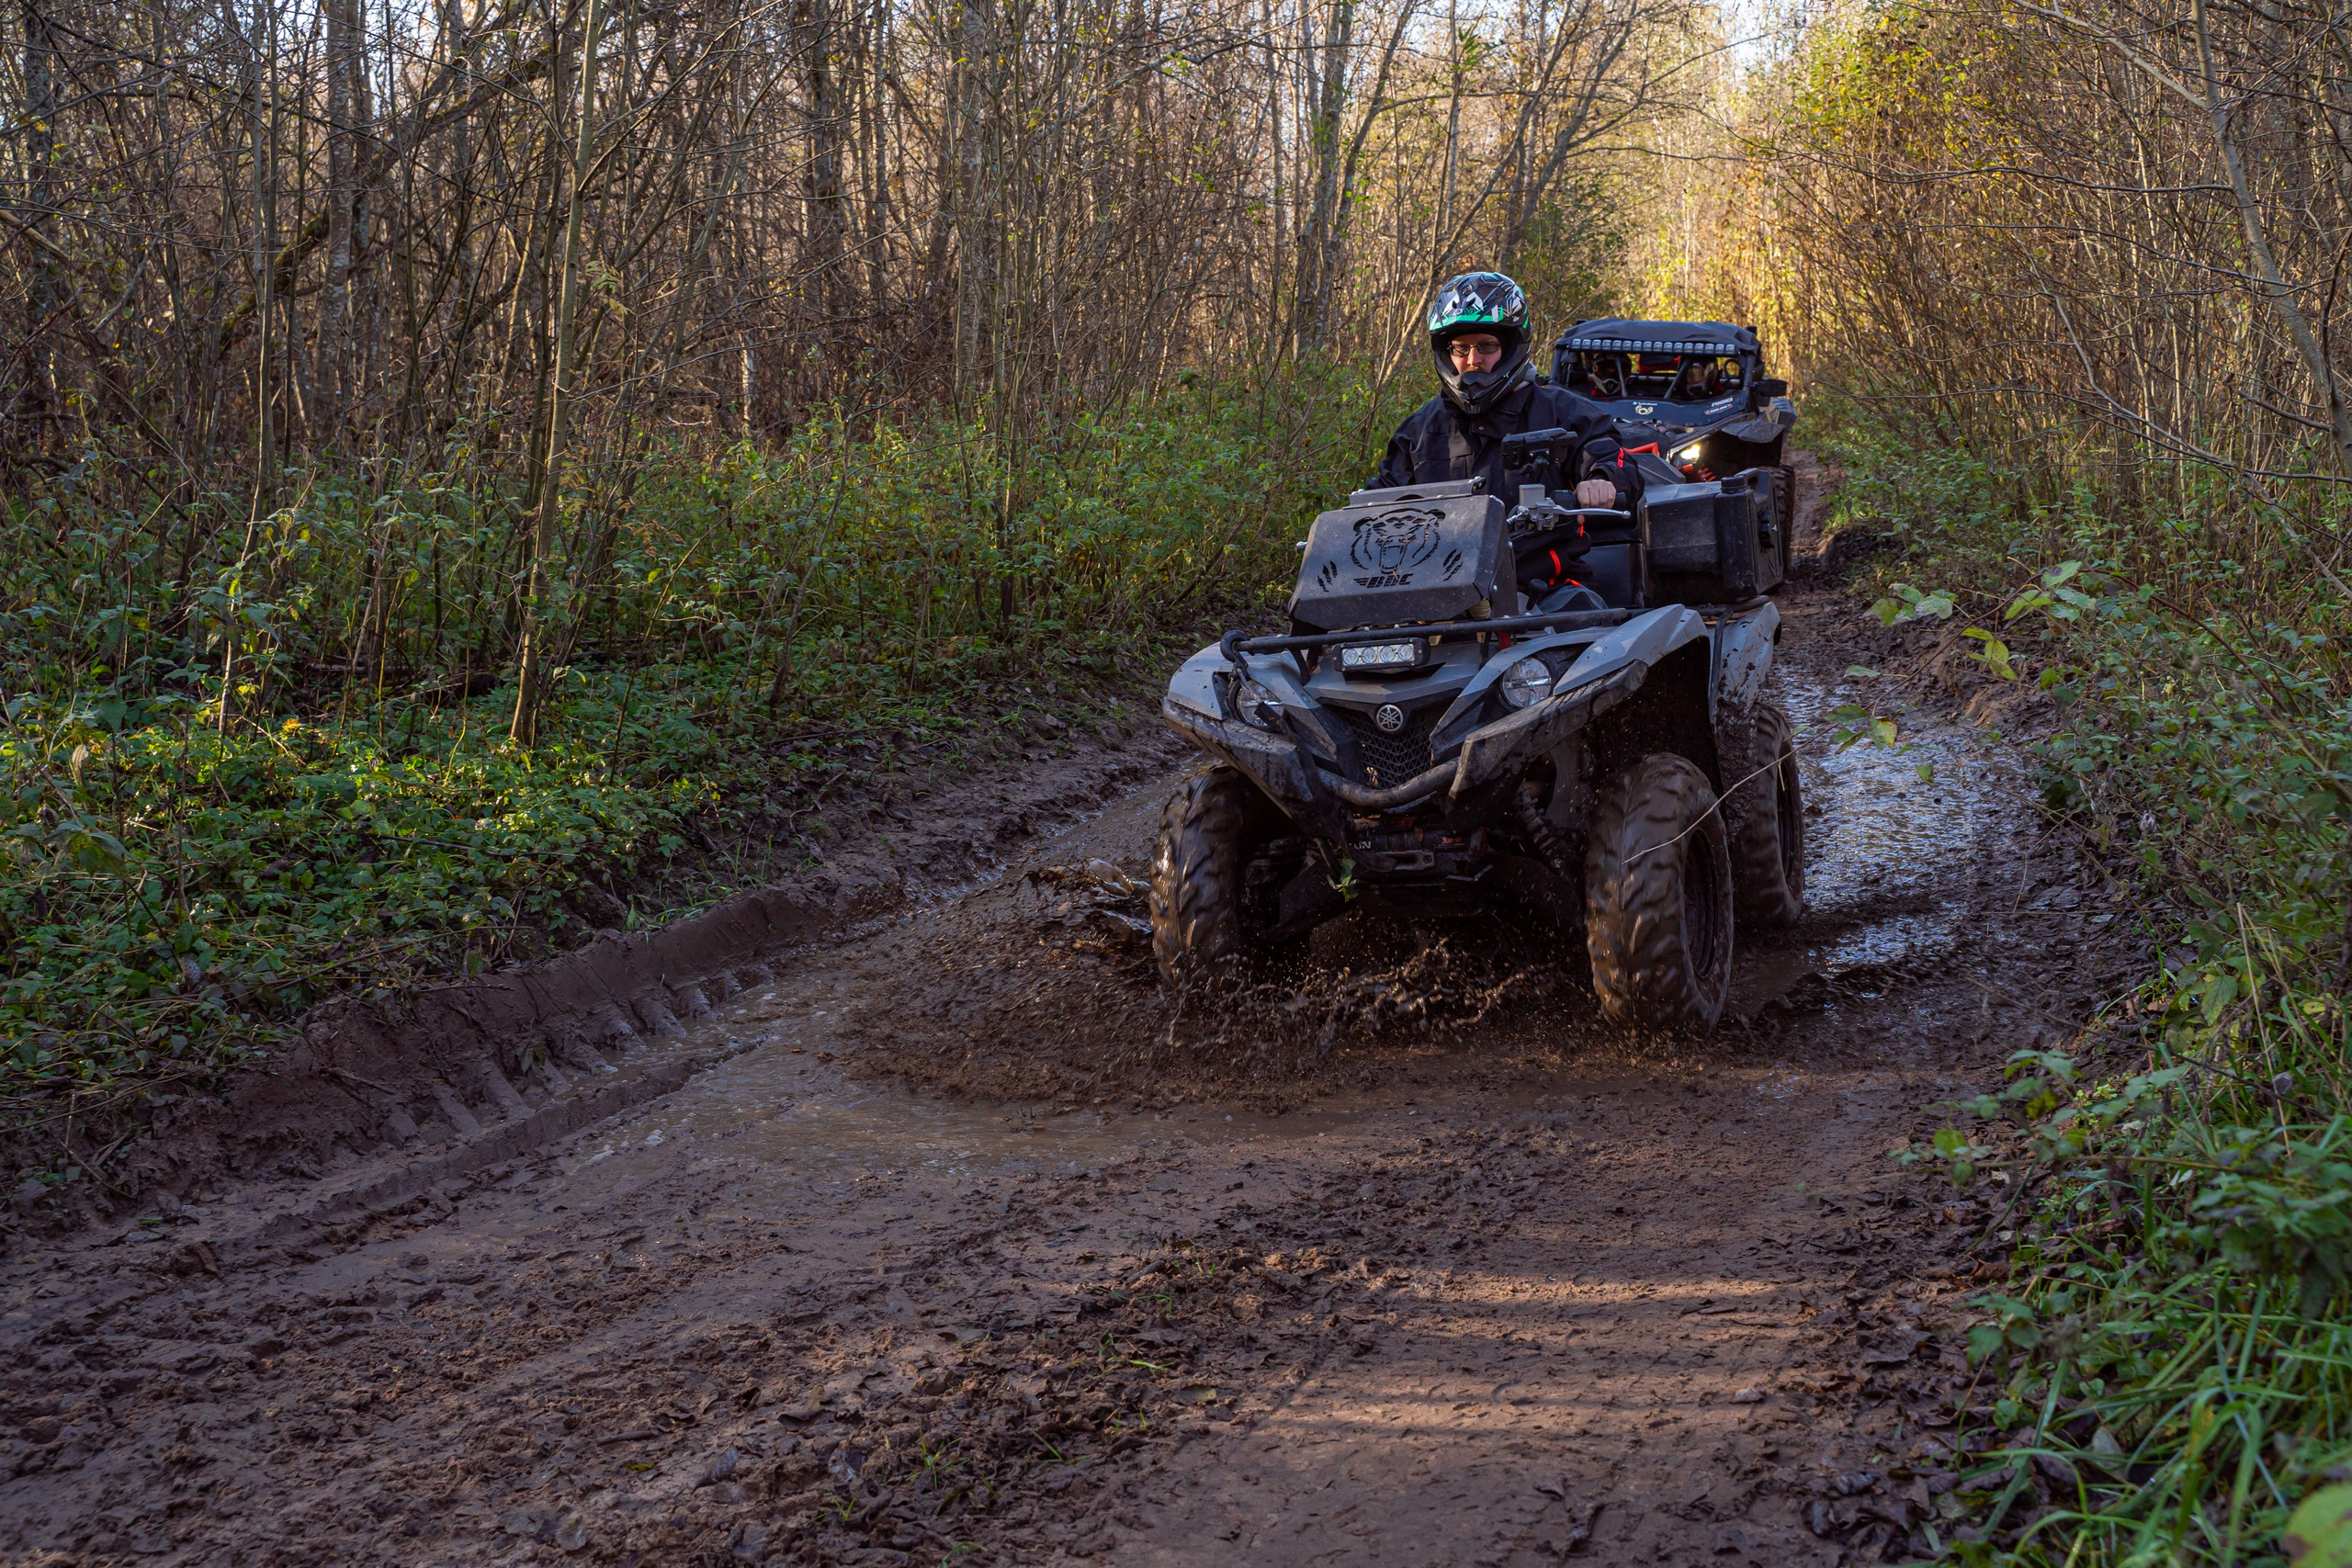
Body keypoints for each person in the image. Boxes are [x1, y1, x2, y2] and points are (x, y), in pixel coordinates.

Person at [1374, 273, 1640, 511]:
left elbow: (1612, 459)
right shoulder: (1419, 430)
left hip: (1539, 563)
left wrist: (1601, 479)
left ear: (1512, 347)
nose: (1473, 359)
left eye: (1487, 346)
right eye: (1460, 348)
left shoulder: (1561, 413)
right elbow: (1380, 498)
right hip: (1446, 565)